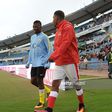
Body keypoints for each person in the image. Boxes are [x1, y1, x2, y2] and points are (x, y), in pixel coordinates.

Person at [44, 10, 85, 112]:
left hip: (69, 61)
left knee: (76, 84)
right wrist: (55, 56)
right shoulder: (58, 30)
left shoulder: (68, 27)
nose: (52, 20)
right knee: (55, 84)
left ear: (57, 18)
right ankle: (49, 109)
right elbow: (58, 47)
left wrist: (53, 56)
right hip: (59, 62)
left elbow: (65, 44)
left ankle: (81, 105)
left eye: (53, 18)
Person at [26, 20, 52, 109]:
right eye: (34, 27)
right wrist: (29, 62)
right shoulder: (32, 37)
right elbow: (31, 50)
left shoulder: (44, 37)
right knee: (33, 81)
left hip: (41, 63)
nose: (35, 28)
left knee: (40, 81)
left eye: (36, 27)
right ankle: (48, 90)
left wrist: (47, 61)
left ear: (41, 27)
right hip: (34, 63)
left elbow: (50, 49)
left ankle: (41, 102)